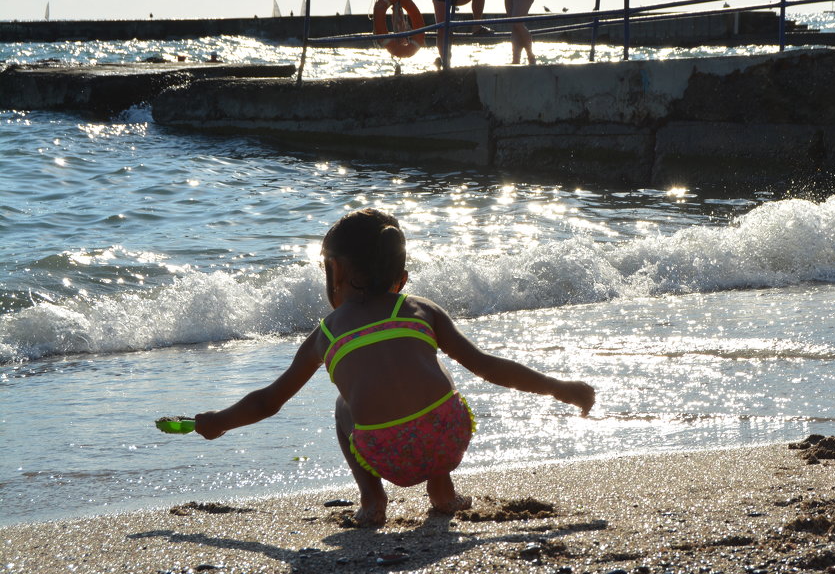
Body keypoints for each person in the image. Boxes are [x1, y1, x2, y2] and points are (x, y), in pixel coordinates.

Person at [195, 208, 596, 526]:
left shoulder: (326, 335)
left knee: (344, 404)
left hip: (386, 456)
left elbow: (268, 402)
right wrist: (557, 386)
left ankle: (372, 500)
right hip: (448, 443)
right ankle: (442, 491)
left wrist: (220, 421)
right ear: (401, 278)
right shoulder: (421, 310)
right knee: (438, 371)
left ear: (334, 271)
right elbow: (488, 367)